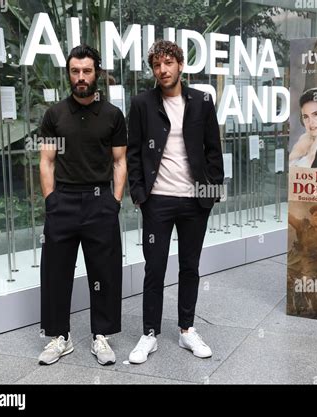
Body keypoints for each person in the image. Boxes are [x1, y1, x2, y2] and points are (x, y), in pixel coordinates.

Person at [127, 40, 224, 364]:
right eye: (156, 64)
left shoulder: (201, 101)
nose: (162, 70)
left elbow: (214, 149)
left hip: (195, 201)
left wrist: (211, 194)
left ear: (180, 65)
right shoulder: (142, 103)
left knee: (189, 267)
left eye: (168, 63)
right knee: (154, 268)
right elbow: (134, 152)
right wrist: (140, 195)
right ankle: (149, 334)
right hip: (158, 201)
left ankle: (186, 330)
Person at [38, 44, 127, 366]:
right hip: (62, 202)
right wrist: (51, 200)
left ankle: (100, 336)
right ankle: (59, 336)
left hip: (99, 202)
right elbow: (46, 161)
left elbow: (120, 161)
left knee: (104, 271)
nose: (80, 77)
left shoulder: (113, 115)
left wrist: (114, 201)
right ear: (69, 74)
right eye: (75, 71)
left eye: (86, 71)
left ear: (97, 74)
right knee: (55, 272)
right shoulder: (54, 115)